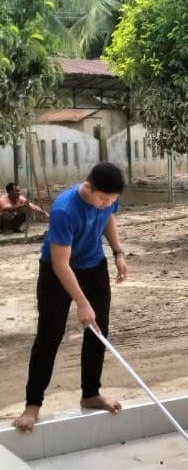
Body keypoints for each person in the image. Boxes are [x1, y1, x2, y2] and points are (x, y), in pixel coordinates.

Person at [13, 163, 128, 433]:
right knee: (49, 336)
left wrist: (118, 253)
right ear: (88, 187)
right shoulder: (65, 210)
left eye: (112, 200)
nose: (106, 205)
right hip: (57, 271)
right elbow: (60, 264)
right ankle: (32, 405)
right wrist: (82, 303)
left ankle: (90, 394)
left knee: (98, 331)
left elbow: (109, 217)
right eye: (102, 199)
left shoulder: (107, 199)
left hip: (93, 266)